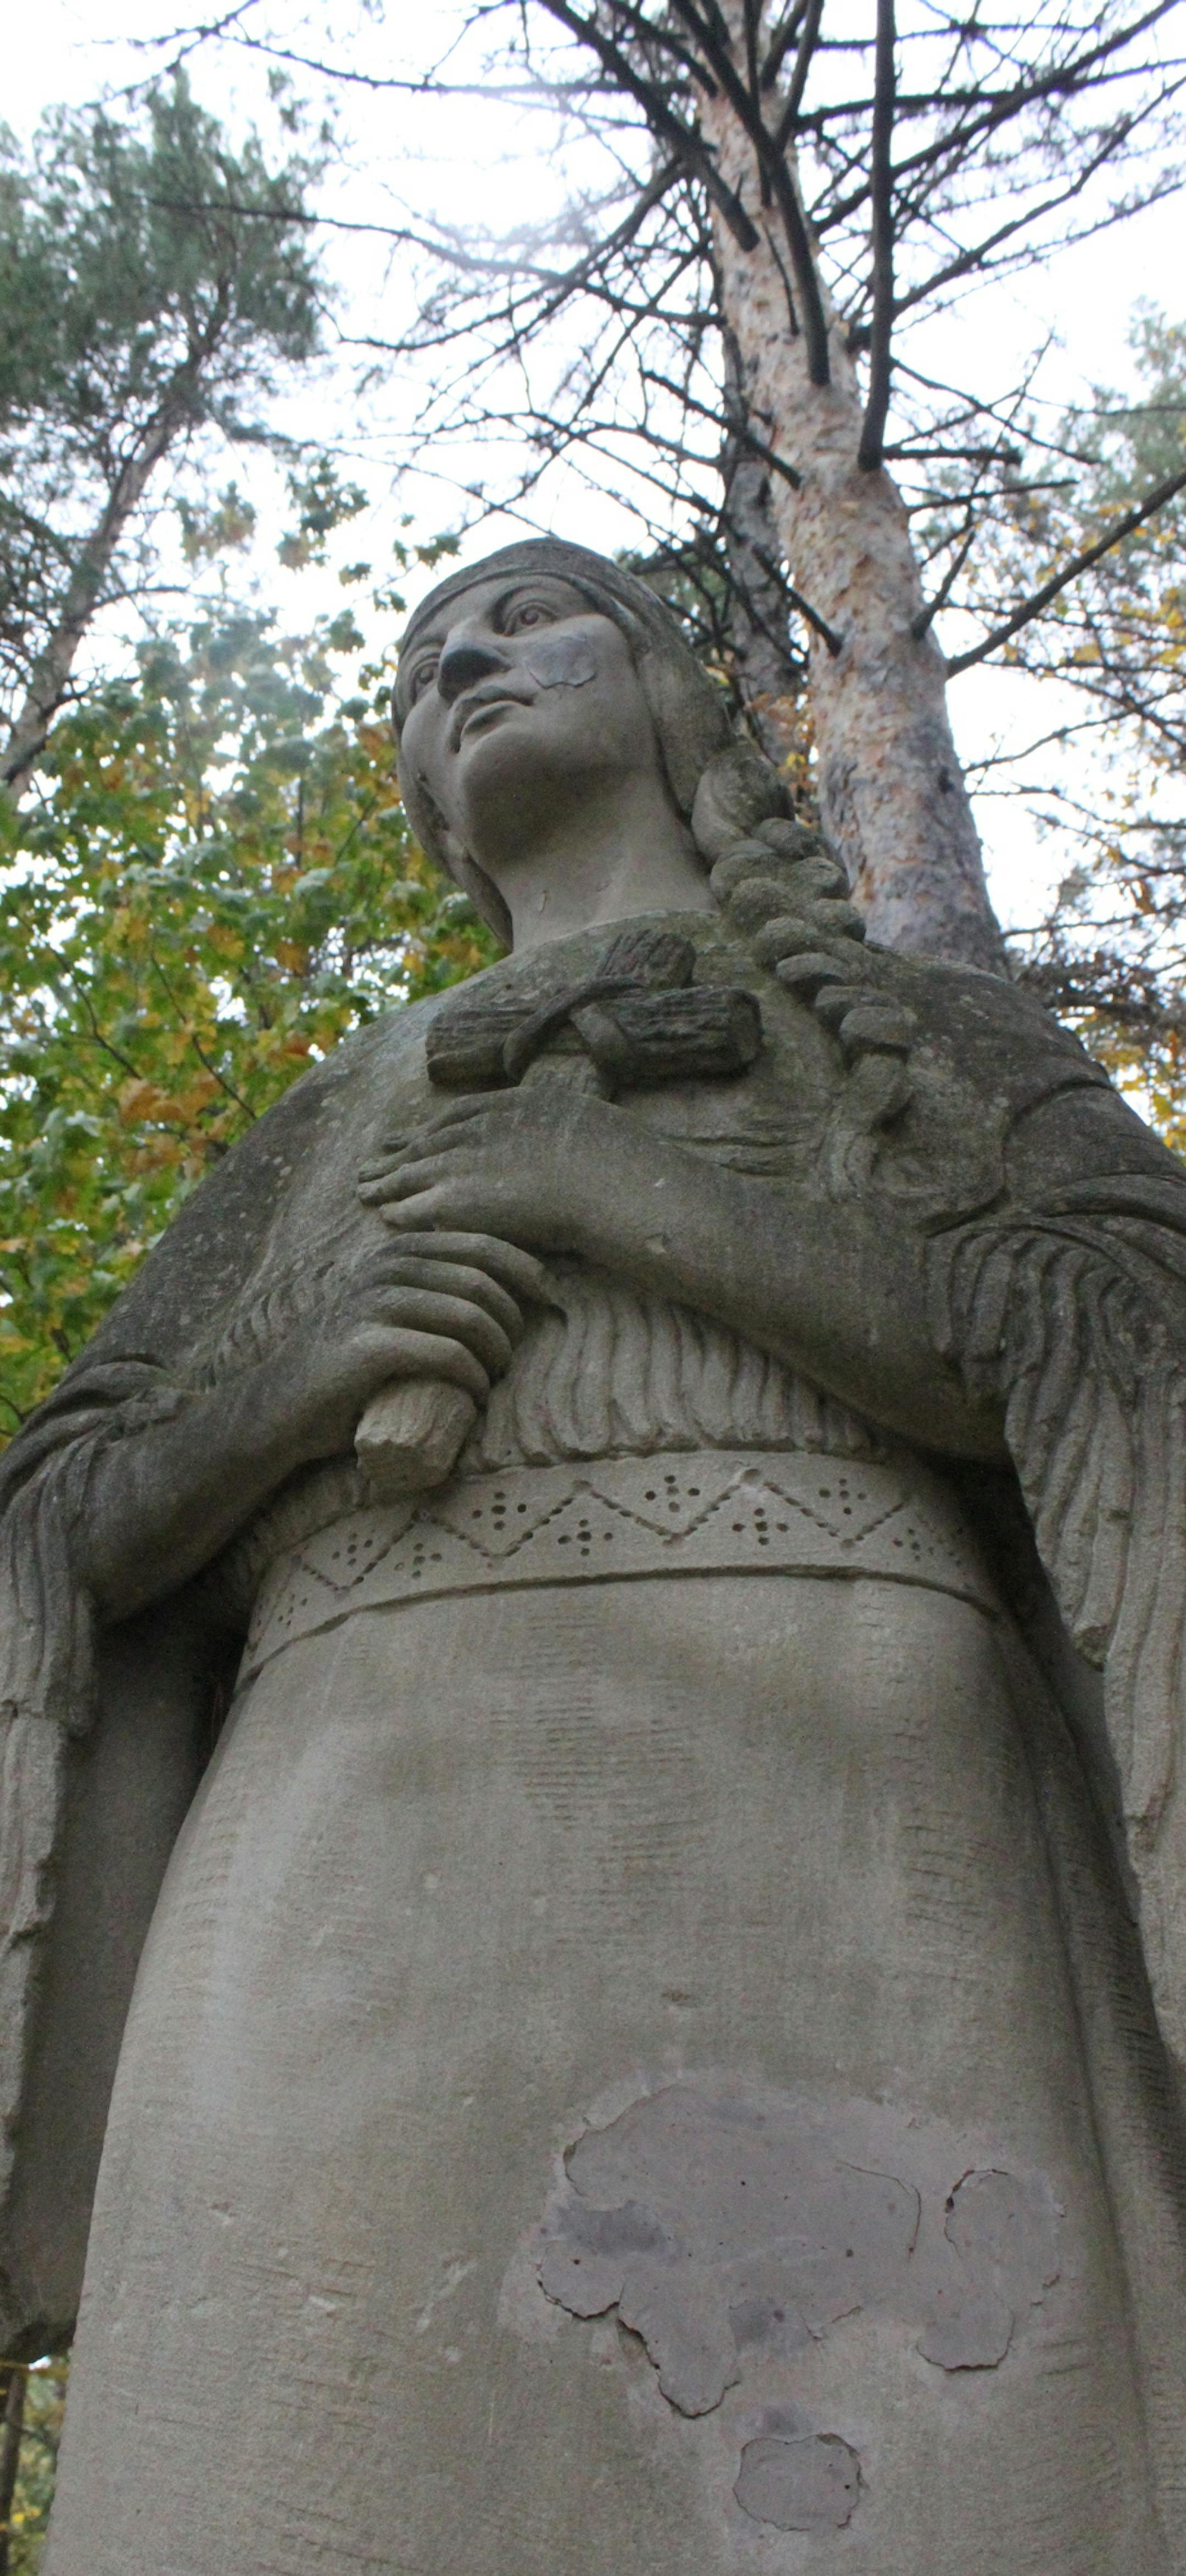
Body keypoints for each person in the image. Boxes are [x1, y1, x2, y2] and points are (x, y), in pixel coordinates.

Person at [5, 541, 1186, 2574]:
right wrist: (287, 1383)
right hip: (342, 1861)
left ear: (673, 689)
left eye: (526, 617)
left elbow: (1115, 1337)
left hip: (858, 1819)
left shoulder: (901, 1032)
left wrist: (610, 1187)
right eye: (417, 667)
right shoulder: (336, 1111)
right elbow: (64, 1509)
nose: (463, 660)